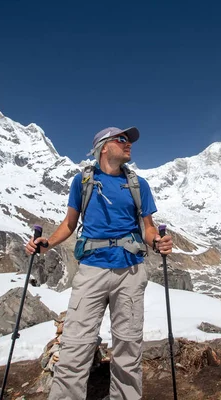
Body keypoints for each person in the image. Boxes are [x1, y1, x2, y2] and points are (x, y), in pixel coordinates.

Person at [25, 126, 173, 400]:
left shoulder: (139, 185)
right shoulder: (82, 182)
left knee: (128, 349)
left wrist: (157, 242)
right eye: (122, 139)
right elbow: (69, 224)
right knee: (74, 347)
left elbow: (148, 228)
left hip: (130, 271)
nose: (128, 144)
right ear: (103, 147)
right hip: (91, 270)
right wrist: (48, 243)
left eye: (129, 140)